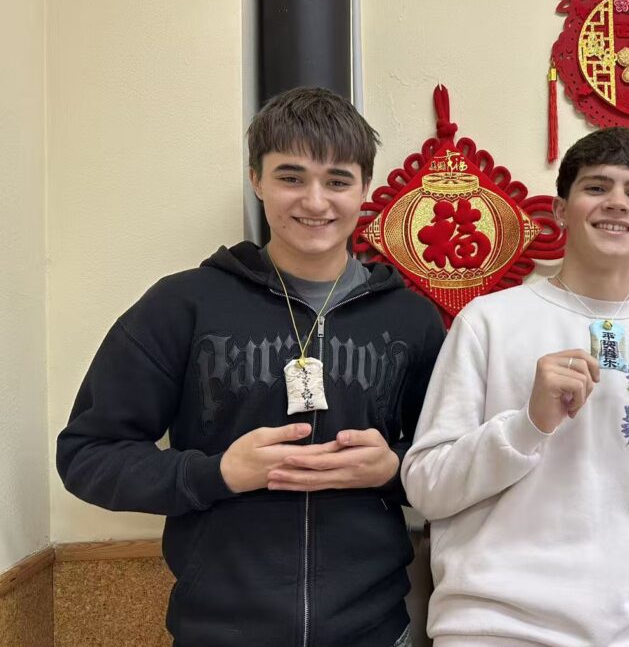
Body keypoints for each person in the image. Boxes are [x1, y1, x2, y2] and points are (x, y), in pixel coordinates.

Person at [56, 86, 445, 646]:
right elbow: (87, 455)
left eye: (337, 181)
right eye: (291, 177)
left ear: (365, 189)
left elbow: (450, 459)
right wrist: (217, 474)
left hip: (376, 630)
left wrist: (394, 469)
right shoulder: (182, 305)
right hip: (218, 631)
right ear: (256, 179)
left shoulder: (411, 318)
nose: (315, 201)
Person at [401, 127, 629, 645]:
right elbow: (426, 487)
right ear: (560, 211)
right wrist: (528, 425)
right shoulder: (487, 322)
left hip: (623, 635)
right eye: (596, 187)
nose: (616, 202)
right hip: (489, 629)